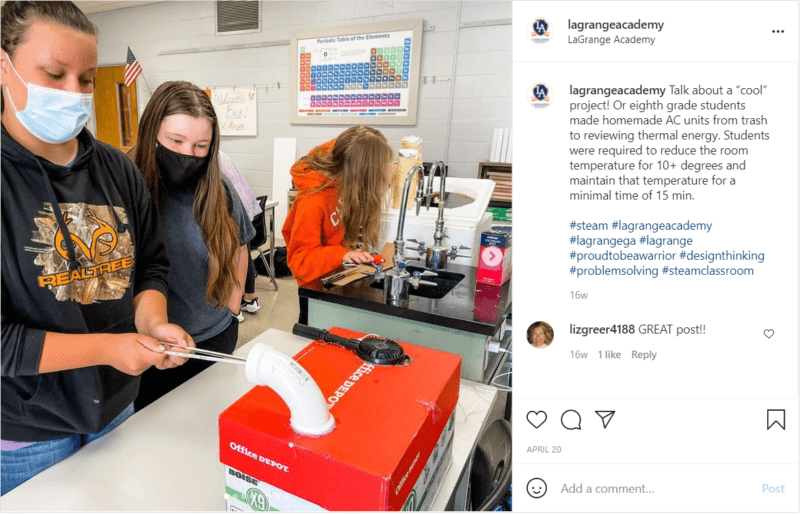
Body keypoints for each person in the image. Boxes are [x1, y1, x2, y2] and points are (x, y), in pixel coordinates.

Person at [0, 1, 192, 495]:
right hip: (27, 431)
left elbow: (151, 263)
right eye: (54, 74)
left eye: (85, 79)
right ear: (4, 66)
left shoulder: (116, 168)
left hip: (116, 403)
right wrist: (109, 348)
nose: (74, 93)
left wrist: (152, 322)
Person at [129, 81, 255, 411]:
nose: (188, 154)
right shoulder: (125, 184)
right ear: (152, 131)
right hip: (149, 351)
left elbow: (240, 246)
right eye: (176, 141)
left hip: (213, 339)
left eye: (201, 145)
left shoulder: (218, 188)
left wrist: (233, 307)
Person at [282, 125, 393, 284]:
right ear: (359, 172)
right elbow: (301, 261)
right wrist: (341, 255)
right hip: (317, 286)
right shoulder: (312, 200)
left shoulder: (343, 167)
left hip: (337, 274)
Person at [219, 150, 260, 321]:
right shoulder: (221, 155)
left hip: (233, 206)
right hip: (240, 203)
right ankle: (249, 300)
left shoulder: (213, 158)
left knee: (240, 252)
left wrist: (233, 307)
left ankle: (239, 306)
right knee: (244, 252)